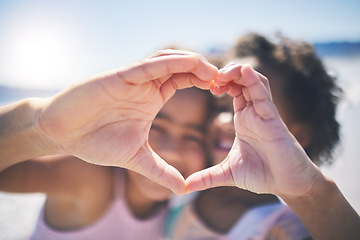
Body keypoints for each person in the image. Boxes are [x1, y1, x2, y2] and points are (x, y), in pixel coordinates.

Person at [0, 50, 218, 239]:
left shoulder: (179, 210)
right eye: (156, 126)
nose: (172, 150)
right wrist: (41, 125)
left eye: (193, 137)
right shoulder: (89, 178)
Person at [166, 33, 360, 239]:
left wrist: (309, 193)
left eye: (251, 108)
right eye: (219, 106)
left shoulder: (284, 228)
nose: (224, 121)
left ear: (299, 136)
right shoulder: (181, 186)